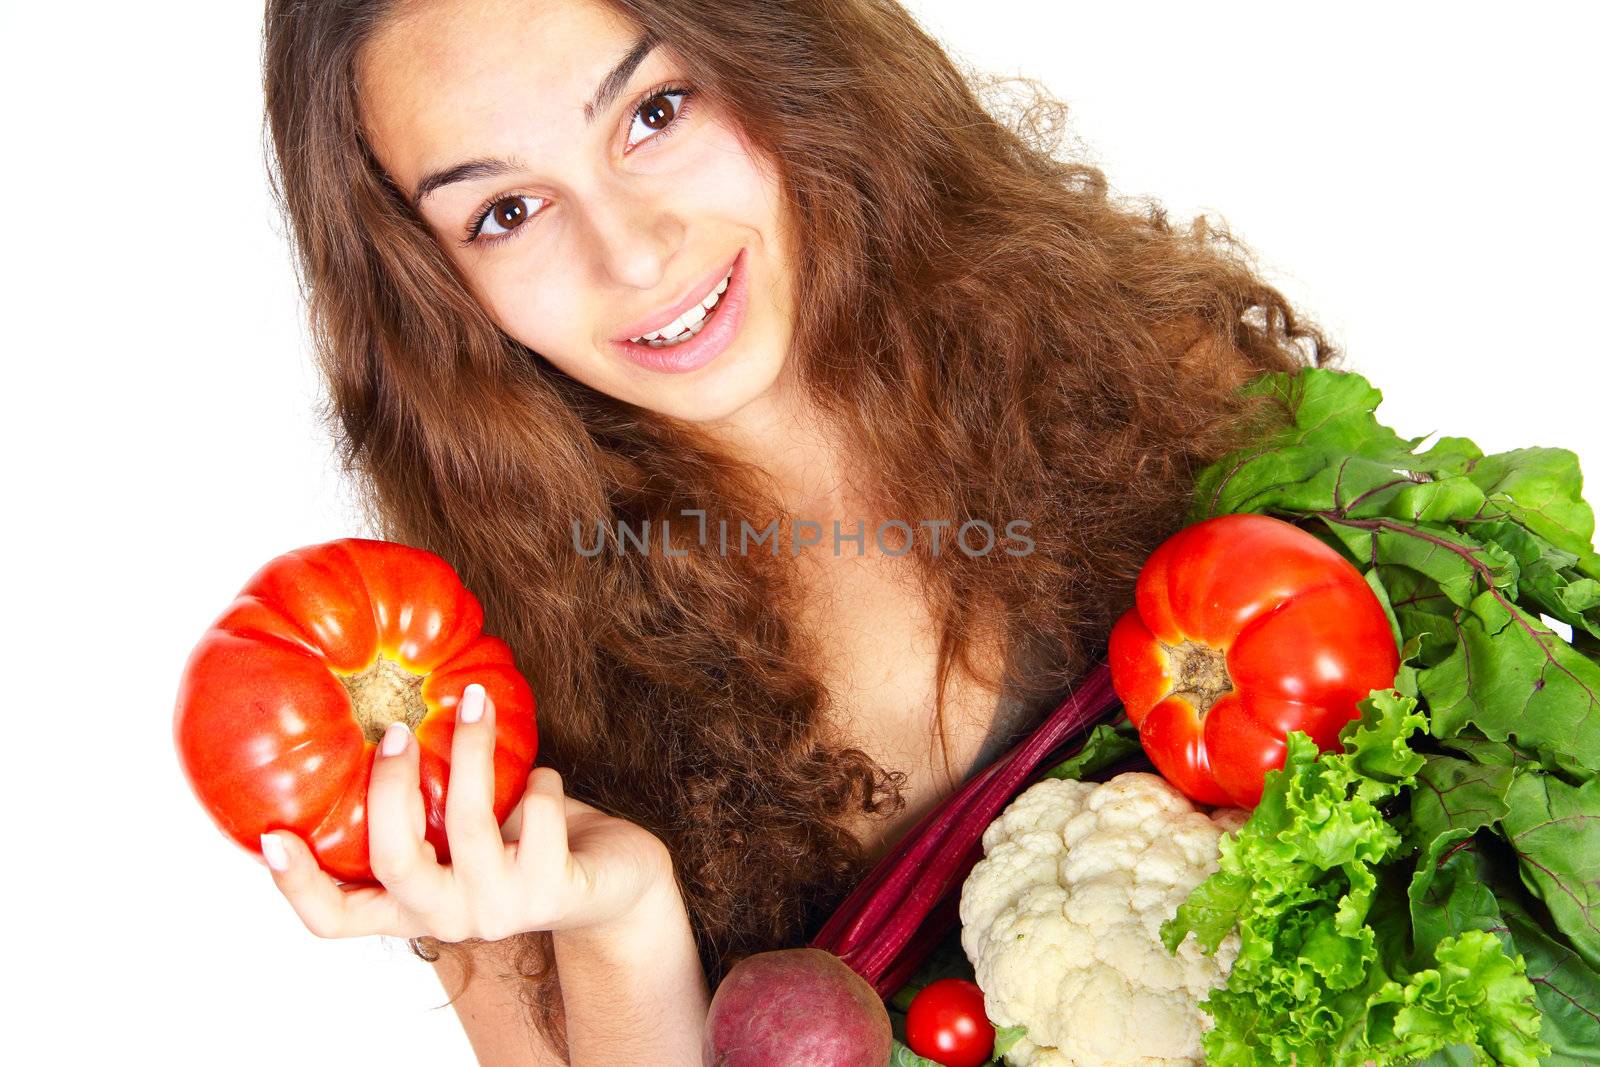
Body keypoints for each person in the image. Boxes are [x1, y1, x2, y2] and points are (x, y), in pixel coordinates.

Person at [258, 0, 1332, 1062]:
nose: (633, 255)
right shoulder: (491, 745)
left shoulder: (1165, 373)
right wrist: (622, 931)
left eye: (655, 111)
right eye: (505, 211)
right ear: (429, 288)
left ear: (779, 57)